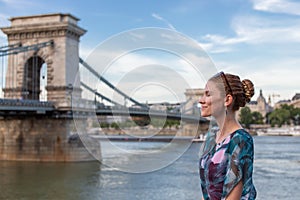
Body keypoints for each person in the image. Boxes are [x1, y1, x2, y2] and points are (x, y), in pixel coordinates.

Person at [198, 71, 257, 200]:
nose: (200, 100)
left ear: (227, 99)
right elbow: (207, 191)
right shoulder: (212, 136)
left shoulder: (241, 140)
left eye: (208, 94)